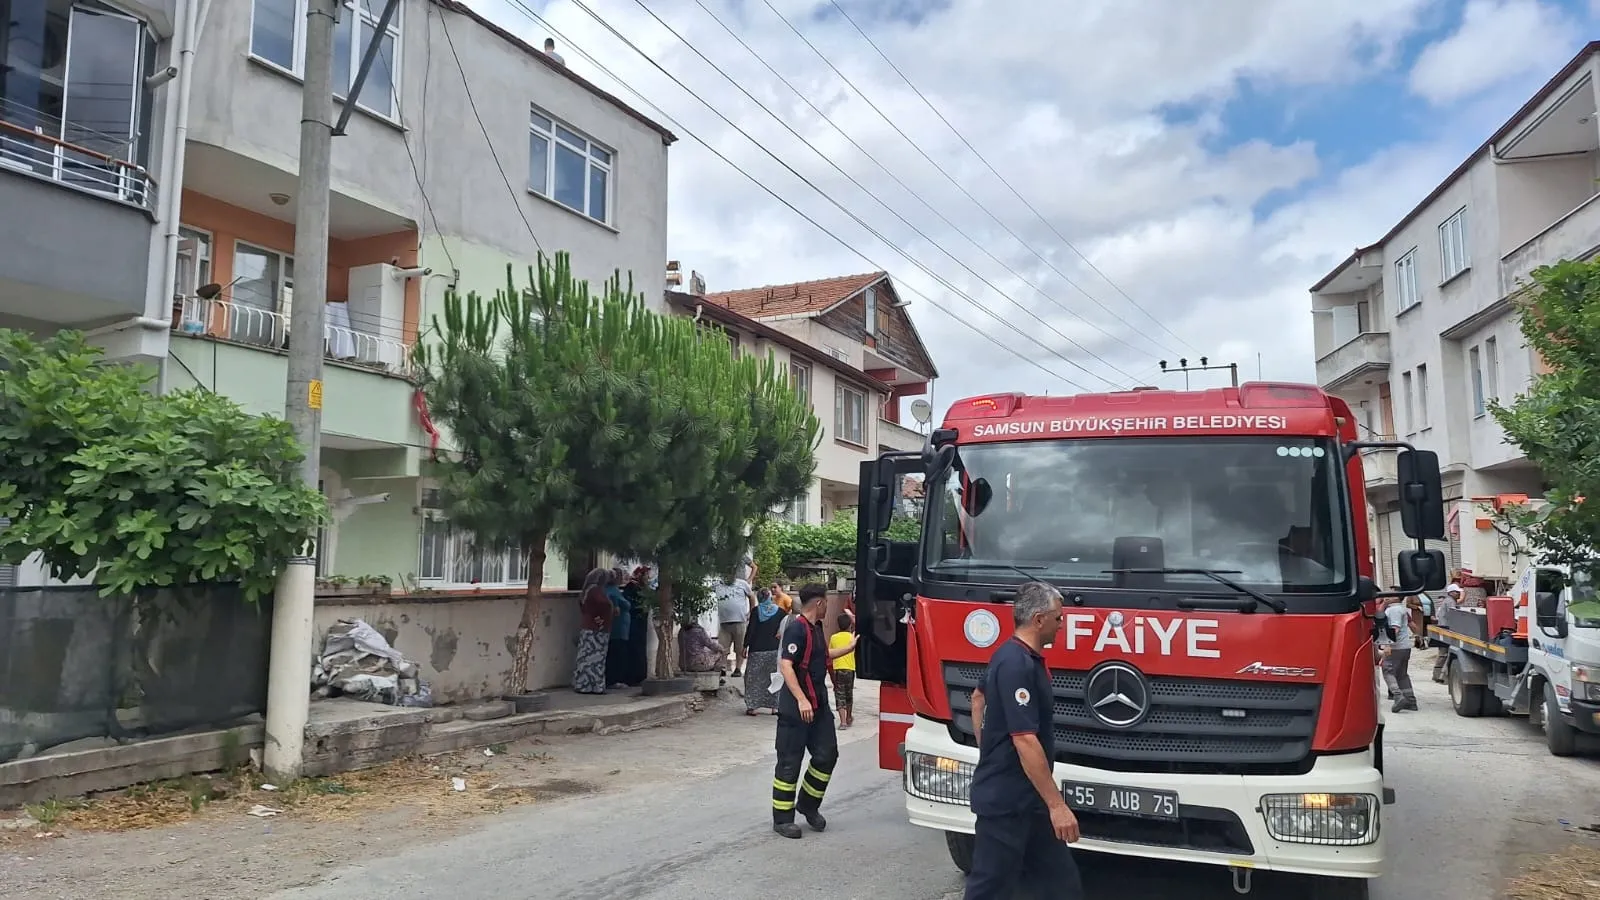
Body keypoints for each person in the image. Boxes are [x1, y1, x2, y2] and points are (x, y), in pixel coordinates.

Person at [964, 581, 1083, 900]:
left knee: (1062, 885)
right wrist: (1057, 805)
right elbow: (1025, 740)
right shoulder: (1016, 664)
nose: (1062, 624)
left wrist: (988, 750)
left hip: (1029, 800)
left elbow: (978, 699)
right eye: (1059, 618)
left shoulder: (1010, 656)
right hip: (1007, 804)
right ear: (1039, 619)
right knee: (989, 888)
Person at [771, 583, 857, 839]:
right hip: (797, 707)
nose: (827, 606)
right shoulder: (796, 628)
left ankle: (808, 805)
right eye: (826, 602)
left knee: (827, 754)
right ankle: (783, 819)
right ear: (819, 603)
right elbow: (786, 665)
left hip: (818, 705)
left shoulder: (816, 629)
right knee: (789, 762)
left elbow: (823, 655)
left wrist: (848, 648)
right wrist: (801, 699)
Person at [743, 590, 785, 716]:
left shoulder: (756, 612)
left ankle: (753, 707)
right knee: (774, 678)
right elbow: (785, 627)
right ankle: (775, 707)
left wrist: (745, 646)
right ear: (769, 598)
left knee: (753, 678)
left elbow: (751, 630)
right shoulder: (780, 612)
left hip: (757, 650)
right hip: (774, 650)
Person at [572, 568, 614, 694]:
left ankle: (582, 684)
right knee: (596, 660)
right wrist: (611, 609)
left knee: (585, 658)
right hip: (597, 629)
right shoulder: (596, 591)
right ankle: (595, 686)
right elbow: (604, 605)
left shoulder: (587, 590)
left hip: (589, 627)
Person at [1378, 595, 1419, 712]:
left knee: (1388, 671)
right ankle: (1410, 701)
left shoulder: (1394, 610)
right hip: (1404, 646)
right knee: (1402, 674)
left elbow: (1395, 628)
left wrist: (1387, 644)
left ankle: (1398, 696)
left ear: (1397, 598)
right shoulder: (1401, 609)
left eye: (1390, 594)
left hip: (1396, 647)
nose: (1386, 596)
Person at [713, 572, 755, 677]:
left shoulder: (742, 584)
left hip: (740, 621)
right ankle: (722, 668)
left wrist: (752, 612)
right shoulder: (717, 584)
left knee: (740, 647)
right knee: (722, 647)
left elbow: (751, 596)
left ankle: (738, 669)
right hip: (724, 622)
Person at [605, 568, 632, 689]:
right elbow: (620, 606)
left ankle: (615, 678)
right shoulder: (612, 591)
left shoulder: (614, 590)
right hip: (617, 628)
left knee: (617, 652)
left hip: (620, 627)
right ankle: (615, 679)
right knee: (617, 653)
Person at [829, 612, 857, 729]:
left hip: (837, 669)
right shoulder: (852, 637)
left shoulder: (833, 638)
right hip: (850, 669)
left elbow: (829, 653)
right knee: (848, 693)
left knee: (839, 694)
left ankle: (843, 722)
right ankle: (849, 717)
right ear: (850, 625)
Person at [1432, 583, 1463, 683]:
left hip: (1445, 629)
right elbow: (1453, 616)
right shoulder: (1450, 602)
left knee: (1443, 653)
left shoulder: (1450, 601)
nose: (1458, 594)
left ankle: (1439, 675)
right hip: (1446, 629)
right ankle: (1438, 676)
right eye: (1457, 592)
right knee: (1443, 653)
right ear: (1451, 593)